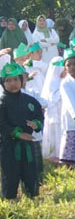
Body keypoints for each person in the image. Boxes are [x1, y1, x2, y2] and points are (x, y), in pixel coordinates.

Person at [0, 61, 44, 199]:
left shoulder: (30, 101)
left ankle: (32, 195)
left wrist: (37, 124)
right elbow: (2, 124)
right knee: (10, 172)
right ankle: (10, 197)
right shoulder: (2, 103)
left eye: (15, 79)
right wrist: (18, 134)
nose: (13, 83)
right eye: (8, 80)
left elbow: (39, 115)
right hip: (8, 145)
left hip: (28, 145)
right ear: (2, 83)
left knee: (30, 170)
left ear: (21, 80)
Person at [41, 56, 65, 159]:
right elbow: (52, 99)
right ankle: (53, 153)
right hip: (54, 113)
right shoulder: (52, 82)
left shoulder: (64, 80)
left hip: (62, 112)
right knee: (54, 131)